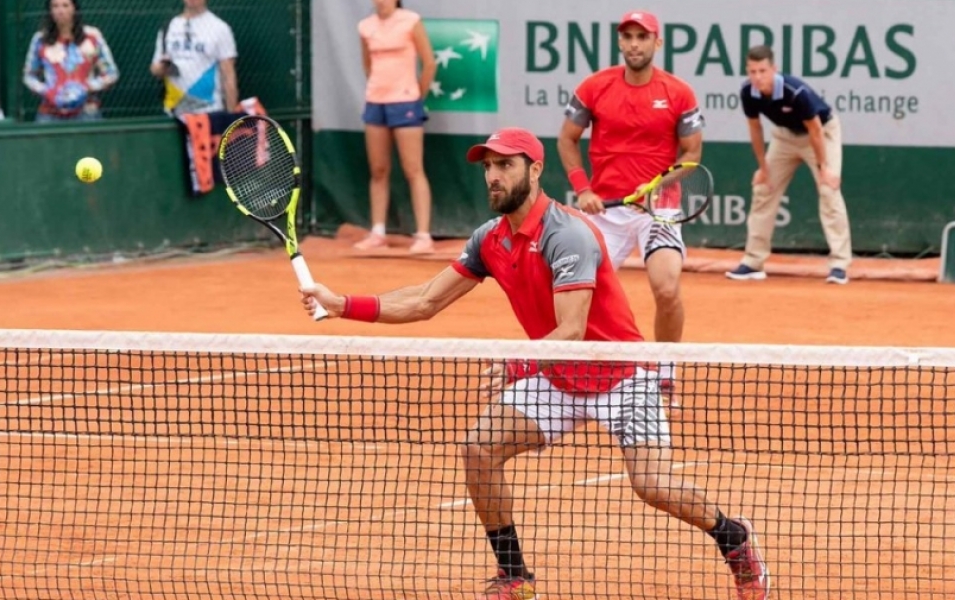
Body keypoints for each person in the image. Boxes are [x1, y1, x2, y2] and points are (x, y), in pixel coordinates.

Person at [299, 127, 770, 600]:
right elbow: (424, 300)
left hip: (620, 376)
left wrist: (521, 364)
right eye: (487, 167)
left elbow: (572, 330)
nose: (492, 177)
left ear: (535, 169)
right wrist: (341, 303)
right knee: (479, 450)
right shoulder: (489, 239)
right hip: (558, 377)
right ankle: (515, 576)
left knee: (653, 485)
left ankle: (735, 540)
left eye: (505, 165)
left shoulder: (568, 235)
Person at [557, 10, 703, 397]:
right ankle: (569, 368)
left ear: (657, 43)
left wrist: (658, 187)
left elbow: (691, 154)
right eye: (629, 36)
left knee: (667, 288)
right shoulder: (594, 87)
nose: (635, 43)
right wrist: (583, 189)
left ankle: (665, 368)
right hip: (604, 210)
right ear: (621, 42)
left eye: (643, 36)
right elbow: (566, 139)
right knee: (575, 293)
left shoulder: (679, 92)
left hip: (659, 209)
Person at [726, 45, 852, 284]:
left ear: (774, 69)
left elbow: (815, 130)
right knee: (763, 189)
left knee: (828, 190)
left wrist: (824, 167)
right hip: (784, 137)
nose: (757, 77)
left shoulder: (795, 91)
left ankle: (839, 265)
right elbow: (755, 128)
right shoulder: (747, 92)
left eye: (763, 71)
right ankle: (753, 262)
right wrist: (763, 168)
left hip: (821, 134)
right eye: (752, 71)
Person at [352, 0, 437, 255]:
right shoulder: (365, 26)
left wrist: (415, 96)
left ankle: (423, 235)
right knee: (378, 170)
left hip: (406, 102)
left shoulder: (411, 20)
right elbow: (367, 64)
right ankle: (378, 232)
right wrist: (380, 89)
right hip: (375, 103)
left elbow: (429, 63)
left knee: (413, 169)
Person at [23, 0, 119, 122]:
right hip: (50, 112)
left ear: (74, 8)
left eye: (65, 5)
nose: (60, 11)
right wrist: (47, 90)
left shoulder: (92, 37)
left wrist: (87, 87)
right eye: (55, 6)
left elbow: (111, 73)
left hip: (86, 112)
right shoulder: (40, 39)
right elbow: (29, 76)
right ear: (50, 11)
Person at [150, 0, 238, 117]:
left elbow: (229, 76)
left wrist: (231, 117)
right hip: (174, 112)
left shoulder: (219, 28)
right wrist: (162, 68)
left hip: (209, 112)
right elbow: (155, 68)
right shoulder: (169, 27)